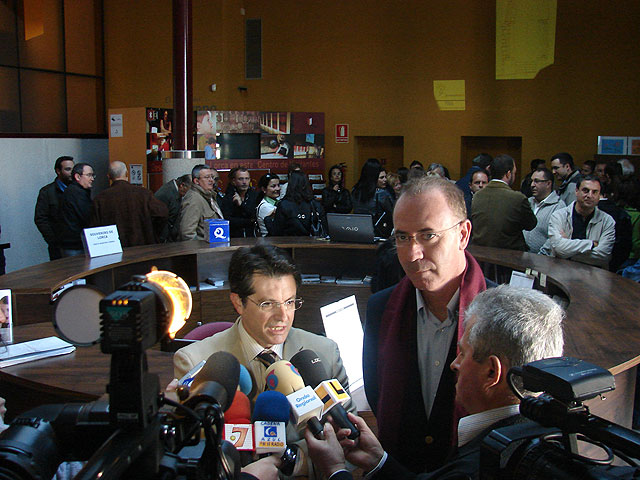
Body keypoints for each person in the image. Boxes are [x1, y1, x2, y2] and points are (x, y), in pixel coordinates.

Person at [305, 285, 565, 480]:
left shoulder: (479, 468)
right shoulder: (553, 435)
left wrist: (335, 470)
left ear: (491, 373)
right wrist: (379, 461)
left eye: (462, 353)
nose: (454, 364)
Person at [173, 245, 354, 478]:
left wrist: (290, 462)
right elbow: (197, 457)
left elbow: (348, 443)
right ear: (238, 303)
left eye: (289, 302)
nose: (283, 316)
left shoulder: (324, 352)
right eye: (267, 304)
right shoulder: (196, 362)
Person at [363, 176, 487, 473]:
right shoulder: (381, 309)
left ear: (463, 234)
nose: (412, 253)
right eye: (402, 237)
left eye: (428, 235)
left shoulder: (498, 317)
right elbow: (376, 391)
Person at [90, 161, 168, 247]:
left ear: (109, 176)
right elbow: (162, 213)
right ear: (127, 174)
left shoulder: (100, 199)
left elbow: (95, 228)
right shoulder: (144, 194)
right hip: (143, 245)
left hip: (115, 249)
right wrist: (152, 232)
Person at [545, 175, 615, 268]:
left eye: (595, 192)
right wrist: (591, 244)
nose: (590, 195)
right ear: (576, 191)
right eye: (585, 190)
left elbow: (604, 255)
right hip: (561, 272)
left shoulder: (607, 221)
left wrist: (567, 250)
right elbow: (558, 248)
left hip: (593, 276)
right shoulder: (559, 216)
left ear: (599, 196)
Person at [471, 154, 537, 251]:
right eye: (514, 173)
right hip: (510, 256)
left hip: (482, 255)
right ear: (508, 174)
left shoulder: (477, 196)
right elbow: (531, 224)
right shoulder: (517, 198)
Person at [34, 156, 75, 260]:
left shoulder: (78, 190)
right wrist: (53, 240)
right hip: (59, 245)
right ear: (58, 171)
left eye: (72, 169)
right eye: (67, 169)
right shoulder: (47, 192)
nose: (71, 173)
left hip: (78, 243)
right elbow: (41, 219)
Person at [523, 167, 566, 254]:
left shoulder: (558, 206)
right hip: (521, 257)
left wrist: (541, 256)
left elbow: (554, 237)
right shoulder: (527, 202)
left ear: (548, 183)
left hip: (543, 260)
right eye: (531, 181)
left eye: (537, 181)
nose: (532, 185)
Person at [273, 171, 327, 236]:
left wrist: (267, 220)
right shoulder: (315, 204)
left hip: (289, 243)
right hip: (313, 243)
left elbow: (277, 232)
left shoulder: (283, 205)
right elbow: (324, 227)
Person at [179, 165, 223, 240]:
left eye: (212, 177)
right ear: (196, 181)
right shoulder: (194, 199)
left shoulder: (209, 195)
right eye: (207, 177)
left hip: (213, 246)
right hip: (203, 249)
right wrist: (199, 250)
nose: (211, 180)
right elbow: (187, 233)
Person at [352, 159, 394, 238]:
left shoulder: (355, 191)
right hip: (378, 232)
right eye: (381, 178)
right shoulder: (382, 193)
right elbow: (391, 212)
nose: (385, 180)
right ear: (373, 178)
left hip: (358, 230)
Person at [59, 163, 95, 257]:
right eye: (89, 175)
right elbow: (87, 216)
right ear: (77, 177)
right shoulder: (76, 193)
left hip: (73, 243)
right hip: (75, 244)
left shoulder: (74, 191)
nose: (92, 179)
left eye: (92, 175)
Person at [220, 167, 259, 237]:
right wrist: (249, 221)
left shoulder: (255, 196)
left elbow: (255, 216)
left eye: (247, 178)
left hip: (252, 237)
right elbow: (228, 220)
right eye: (241, 179)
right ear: (234, 181)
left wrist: (241, 205)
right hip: (234, 237)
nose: (244, 182)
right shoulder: (228, 198)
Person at [154, 174, 192, 242]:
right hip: (163, 239)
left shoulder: (176, 192)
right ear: (182, 185)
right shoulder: (166, 193)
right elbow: (159, 219)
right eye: (190, 189)